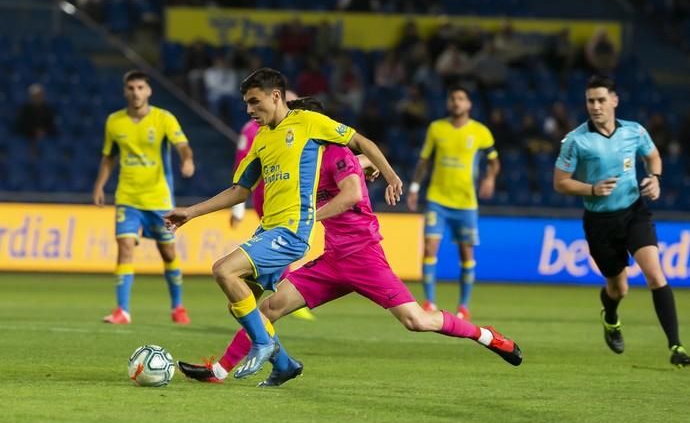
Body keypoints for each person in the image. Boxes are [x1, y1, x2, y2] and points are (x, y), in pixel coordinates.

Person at [177, 97, 522, 386]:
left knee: (417, 321)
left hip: (363, 257)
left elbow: (351, 195)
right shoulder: (311, 161)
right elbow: (360, 162)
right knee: (270, 307)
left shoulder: (335, 154)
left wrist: (309, 215)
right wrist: (369, 164)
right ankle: (220, 370)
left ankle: (485, 335)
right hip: (332, 261)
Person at [163, 68, 403, 380]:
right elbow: (239, 190)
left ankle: (263, 345)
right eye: (246, 104)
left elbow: (362, 142)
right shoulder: (262, 139)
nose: (249, 110)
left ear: (275, 96)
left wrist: (391, 175)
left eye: (254, 102)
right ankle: (284, 364)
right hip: (268, 229)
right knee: (242, 301)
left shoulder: (308, 122)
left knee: (224, 270)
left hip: (291, 230)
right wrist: (192, 212)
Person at [554, 75, 689, 367]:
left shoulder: (634, 132)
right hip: (600, 222)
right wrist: (591, 188)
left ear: (614, 100)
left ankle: (676, 346)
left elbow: (653, 157)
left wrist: (655, 178)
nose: (596, 106)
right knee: (619, 289)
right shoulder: (576, 140)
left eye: (601, 100)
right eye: (591, 101)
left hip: (633, 213)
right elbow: (560, 182)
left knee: (656, 275)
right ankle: (611, 317)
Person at [93, 70, 195, 325]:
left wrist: (187, 160)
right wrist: (99, 186)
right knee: (125, 246)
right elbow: (109, 156)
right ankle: (122, 310)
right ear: (125, 91)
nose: (136, 92)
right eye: (131, 88)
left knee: (168, 253)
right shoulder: (114, 122)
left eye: (140, 87)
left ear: (148, 91)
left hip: (159, 200)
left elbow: (182, 144)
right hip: (127, 197)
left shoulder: (163, 118)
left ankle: (178, 306)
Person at [407, 86, 500, 320]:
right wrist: (415, 188)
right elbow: (424, 160)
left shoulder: (480, 132)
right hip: (437, 199)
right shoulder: (436, 128)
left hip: (466, 203)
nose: (456, 102)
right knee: (429, 248)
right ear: (449, 104)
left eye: (461, 99)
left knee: (466, 254)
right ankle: (429, 302)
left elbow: (494, 161)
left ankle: (464, 306)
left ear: (469, 104)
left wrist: (490, 178)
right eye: (453, 99)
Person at [230, 89, 315, 321]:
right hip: (266, 196)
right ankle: (284, 293)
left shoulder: (301, 127)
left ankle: (275, 293)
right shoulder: (252, 131)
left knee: (279, 244)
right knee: (280, 240)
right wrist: (238, 207)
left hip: (291, 196)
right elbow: (242, 166)